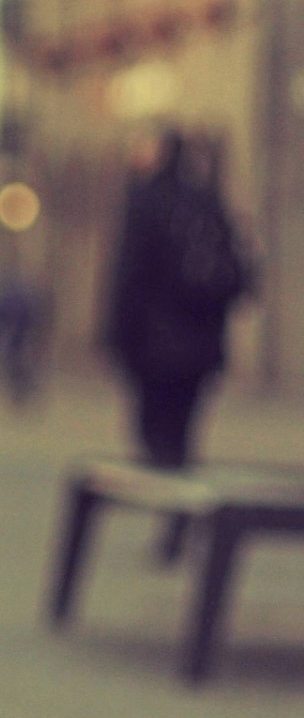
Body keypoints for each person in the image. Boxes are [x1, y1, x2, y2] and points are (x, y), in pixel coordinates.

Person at [101, 127, 253, 470]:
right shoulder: (207, 200)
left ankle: (170, 497)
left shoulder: (144, 199)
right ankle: (179, 497)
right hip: (201, 345)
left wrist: (115, 335)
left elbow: (128, 272)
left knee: (153, 431)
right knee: (182, 432)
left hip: (151, 345)